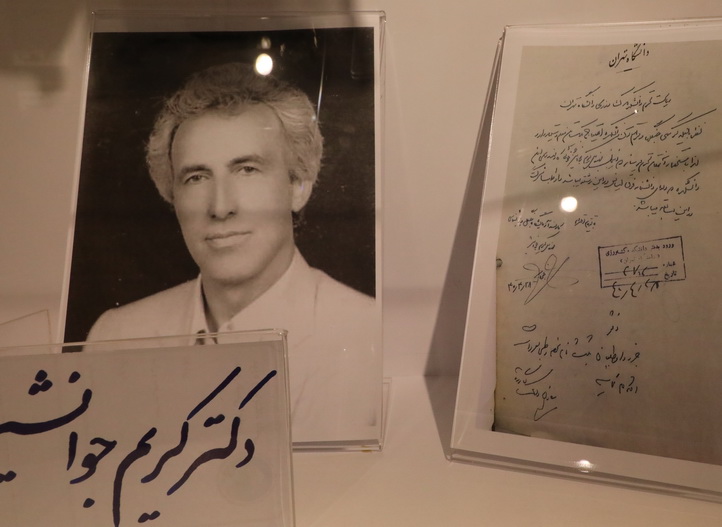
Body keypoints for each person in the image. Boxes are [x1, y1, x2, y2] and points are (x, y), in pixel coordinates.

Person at [85, 62, 379, 444]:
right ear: (172, 198)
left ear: (298, 186)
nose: (221, 207)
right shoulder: (116, 338)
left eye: (247, 170)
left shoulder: (370, 335)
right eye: (196, 178)